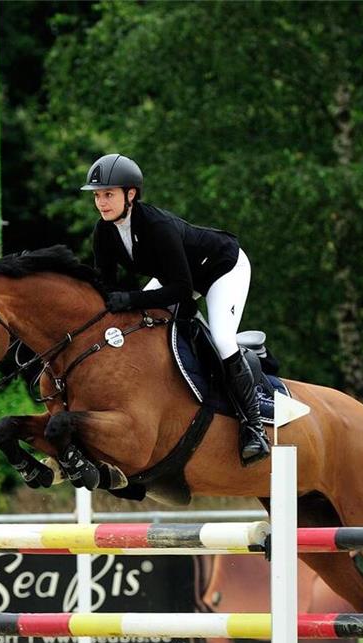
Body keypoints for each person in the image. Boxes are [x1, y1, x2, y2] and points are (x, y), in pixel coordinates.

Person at [81, 153, 271, 466]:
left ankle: (253, 427)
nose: (102, 202)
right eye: (98, 195)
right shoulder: (104, 233)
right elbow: (107, 288)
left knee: (223, 339)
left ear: (131, 194)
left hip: (222, 267)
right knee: (140, 323)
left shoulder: (157, 226)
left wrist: (129, 300)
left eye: (109, 194)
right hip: (177, 276)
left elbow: (183, 292)